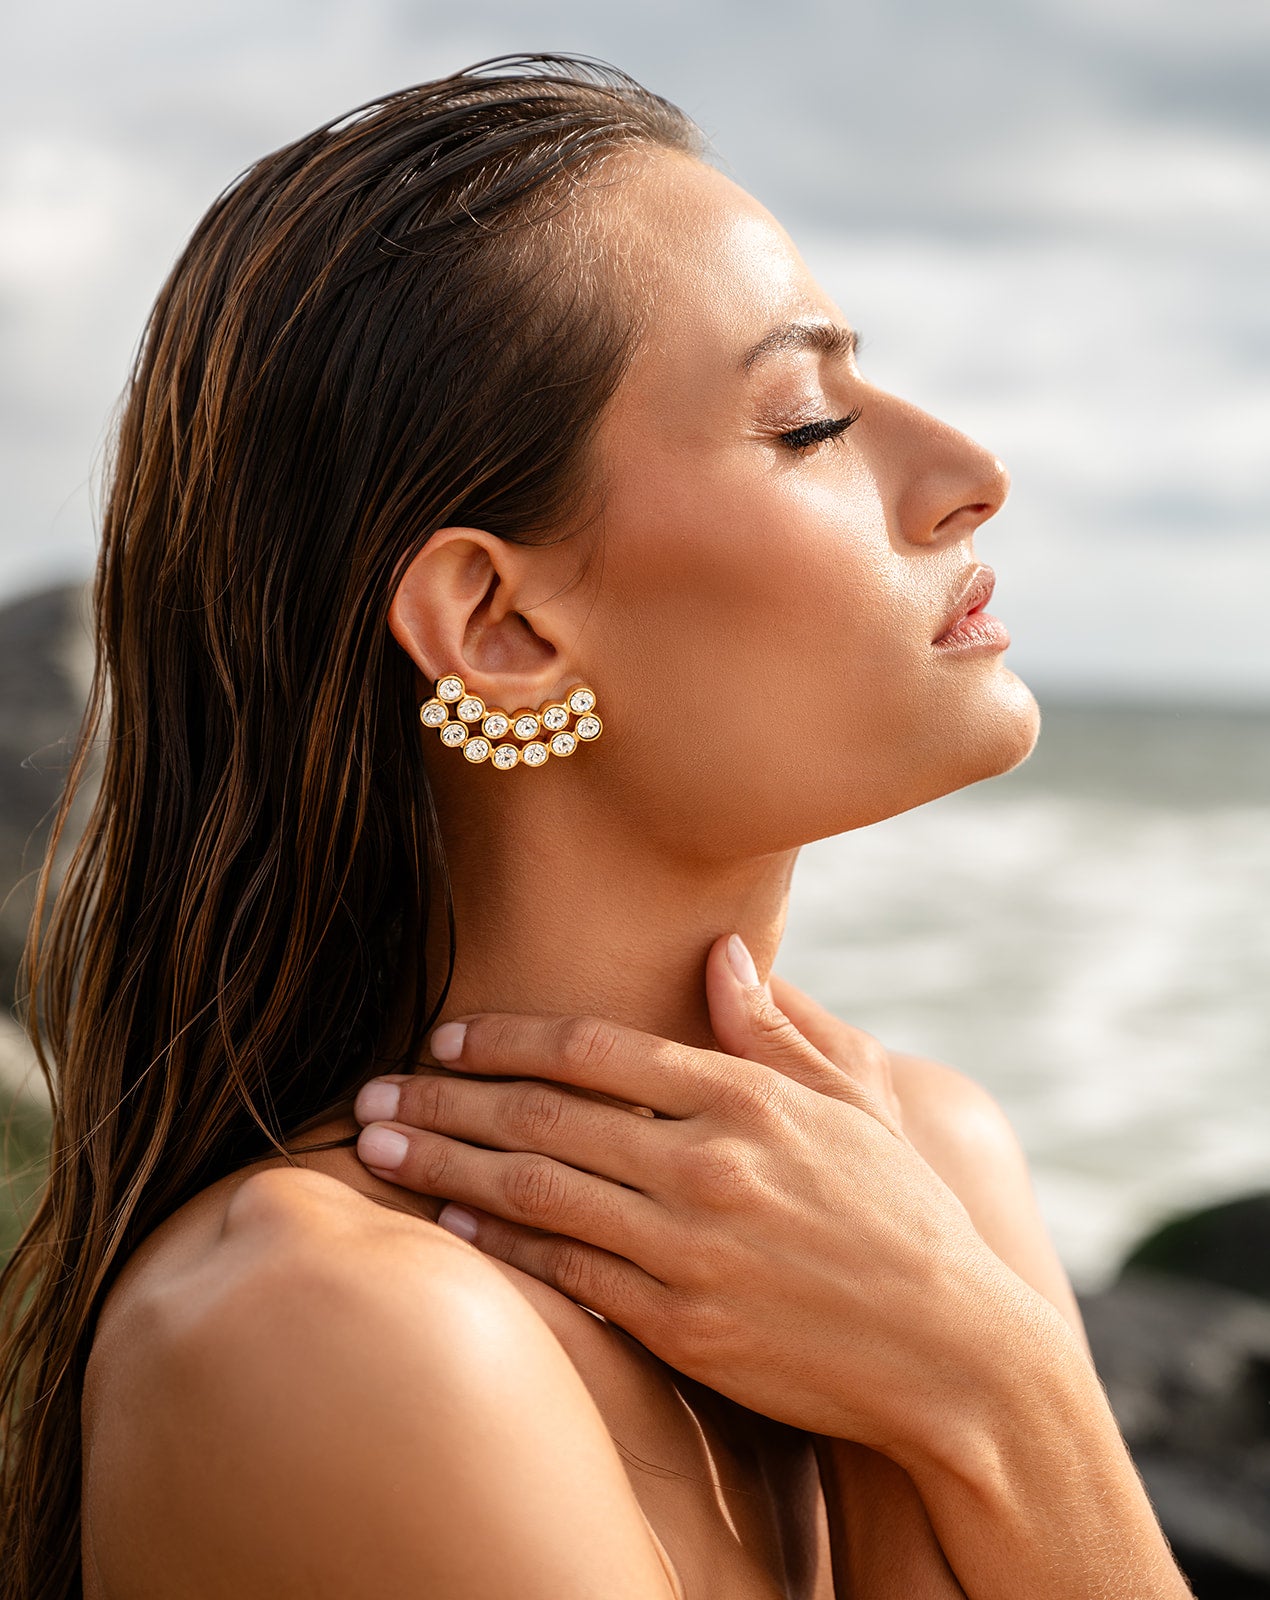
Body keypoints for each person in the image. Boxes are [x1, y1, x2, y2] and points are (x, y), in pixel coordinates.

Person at [0, 52, 1193, 1600]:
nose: (971, 477)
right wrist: (977, 1412)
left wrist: (986, 1392)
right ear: (497, 625)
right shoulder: (322, 1329)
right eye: (811, 423)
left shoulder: (921, 1168)